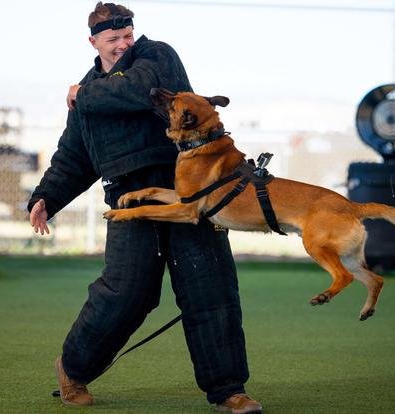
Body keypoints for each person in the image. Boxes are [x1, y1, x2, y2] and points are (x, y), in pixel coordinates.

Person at [28, 3, 262, 413]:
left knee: (210, 288)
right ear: (94, 42)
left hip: (186, 189)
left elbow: (138, 88)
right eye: (113, 39)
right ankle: (73, 368)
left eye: (127, 36)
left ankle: (229, 391)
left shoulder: (157, 57)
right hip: (128, 195)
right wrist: (45, 198)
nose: (123, 44)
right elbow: (74, 156)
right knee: (127, 294)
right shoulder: (86, 97)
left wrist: (84, 94)